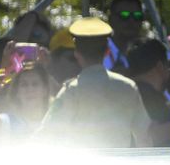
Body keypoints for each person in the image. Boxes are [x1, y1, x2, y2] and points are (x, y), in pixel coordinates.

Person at [39, 17, 151, 148]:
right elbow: (144, 136)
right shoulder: (128, 87)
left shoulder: (72, 91)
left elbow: (47, 133)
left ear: (77, 54)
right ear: (107, 52)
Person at [104, 0, 145, 72]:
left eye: (137, 15)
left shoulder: (153, 53)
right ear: (111, 20)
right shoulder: (97, 52)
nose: (131, 21)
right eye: (124, 15)